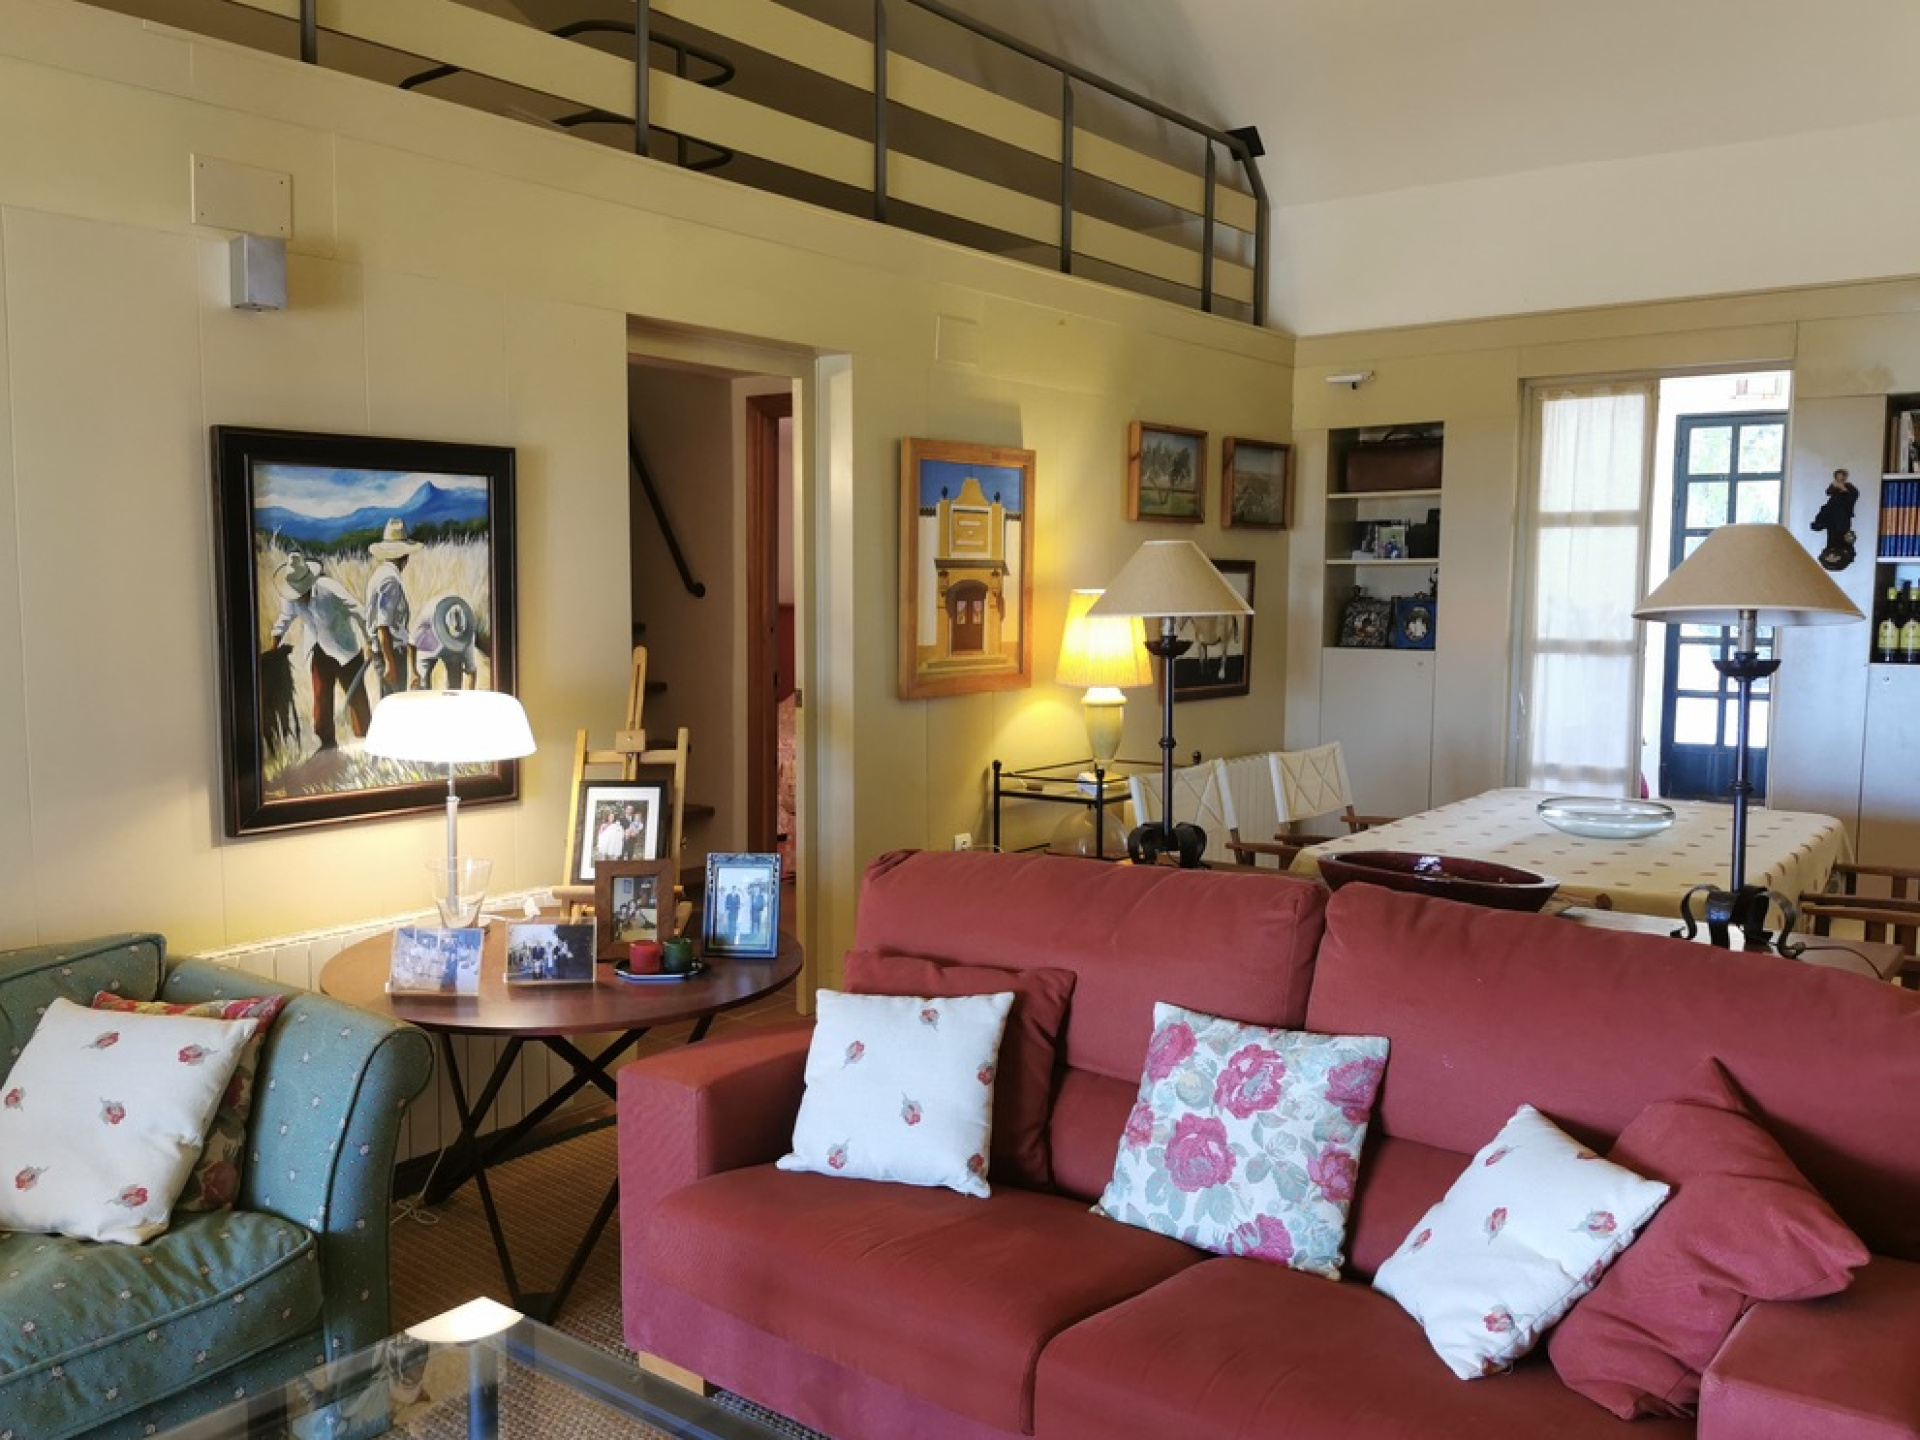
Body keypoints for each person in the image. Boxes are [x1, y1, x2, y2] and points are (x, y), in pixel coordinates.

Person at [267, 549, 372, 752]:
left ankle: (365, 741)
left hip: (344, 650)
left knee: (357, 698)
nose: (299, 597)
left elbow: (359, 611)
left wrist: (369, 641)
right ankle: (327, 744)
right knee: (321, 696)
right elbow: (284, 619)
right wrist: (274, 645)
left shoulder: (328, 589)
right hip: (318, 650)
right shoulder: (289, 596)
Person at [364, 518, 423, 697]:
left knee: (389, 701)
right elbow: (383, 625)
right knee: (395, 702)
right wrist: (390, 664)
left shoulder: (380, 574)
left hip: (385, 652)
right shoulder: (390, 580)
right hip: (392, 654)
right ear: (405, 557)